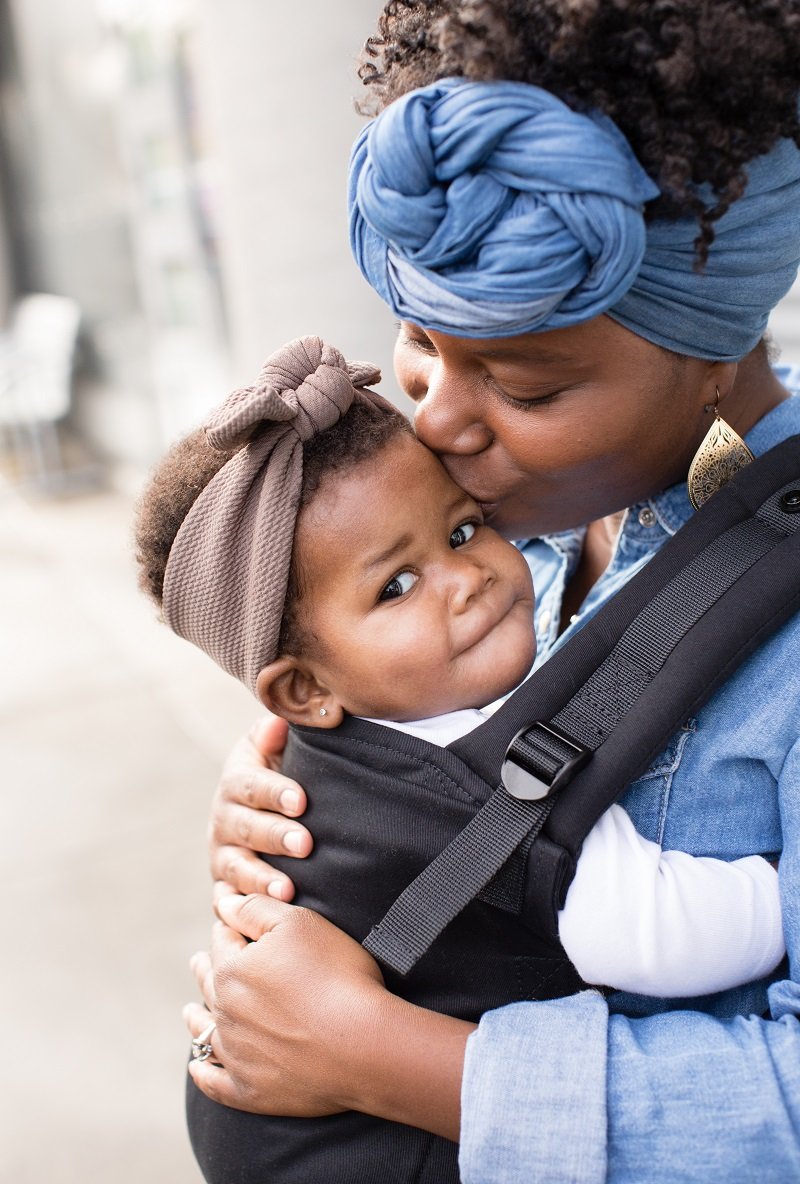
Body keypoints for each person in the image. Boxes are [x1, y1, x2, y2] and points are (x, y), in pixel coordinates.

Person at [184, 0, 800, 1181]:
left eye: (524, 388)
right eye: (419, 340)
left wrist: (378, 1057)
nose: (437, 421)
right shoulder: (495, 522)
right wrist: (311, 819)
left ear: (713, 351)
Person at [137, 334, 784, 1183]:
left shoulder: (385, 709)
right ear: (301, 692)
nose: (467, 576)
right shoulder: (476, 782)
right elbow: (660, 931)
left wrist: (366, 1045)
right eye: (397, 586)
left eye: (464, 529)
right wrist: (777, 899)